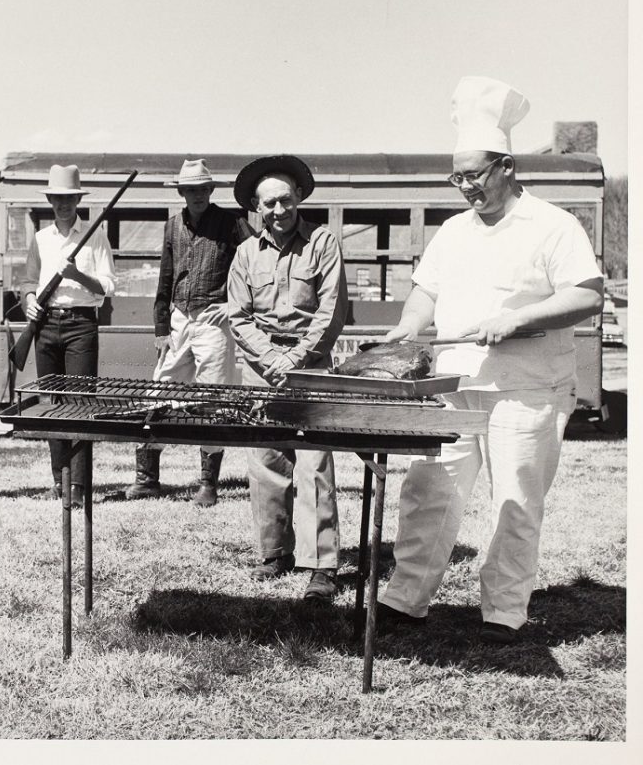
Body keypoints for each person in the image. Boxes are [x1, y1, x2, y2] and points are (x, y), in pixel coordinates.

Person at [377, 76, 604, 644]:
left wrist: (516, 319)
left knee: (515, 501)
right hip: (455, 384)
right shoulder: (453, 230)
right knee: (429, 490)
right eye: (457, 178)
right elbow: (425, 292)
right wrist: (409, 326)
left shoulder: (553, 225)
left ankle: (503, 613)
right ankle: (405, 600)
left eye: (474, 175)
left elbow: (586, 294)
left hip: (529, 388)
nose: (465, 188)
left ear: (507, 166)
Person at [226, 155, 348, 599]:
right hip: (261, 370)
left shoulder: (322, 243)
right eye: (269, 204)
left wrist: (294, 358)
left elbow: (331, 311)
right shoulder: (244, 254)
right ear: (256, 209)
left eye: (285, 201)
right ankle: (274, 553)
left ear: (298, 198)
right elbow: (238, 317)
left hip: (309, 367)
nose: (279, 211)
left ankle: (321, 566)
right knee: (266, 462)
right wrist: (270, 359)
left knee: (314, 464)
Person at [124, 159, 253, 506]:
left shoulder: (232, 223)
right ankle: (147, 479)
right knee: (158, 392)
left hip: (214, 320)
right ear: (181, 192)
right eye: (189, 190)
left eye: (201, 189)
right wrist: (161, 328)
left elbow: (257, 260)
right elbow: (165, 278)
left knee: (213, 398)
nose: (196, 195)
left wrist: (234, 306)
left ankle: (208, 484)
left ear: (210, 191)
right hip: (179, 319)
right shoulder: (172, 227)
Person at [22, 164, 117, 507]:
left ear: (78, 199)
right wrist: (30, 301)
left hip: (81, 324)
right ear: (50, 200)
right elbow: (28, 282)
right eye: (57, 198)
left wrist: (77, 274)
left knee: (80, 405)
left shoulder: (95, 236)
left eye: (68, 198)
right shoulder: (40, 239)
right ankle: (58, 480)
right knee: (52, 404)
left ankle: (79, 486)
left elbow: (107, 287)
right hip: (45, 325)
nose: (63, 204)